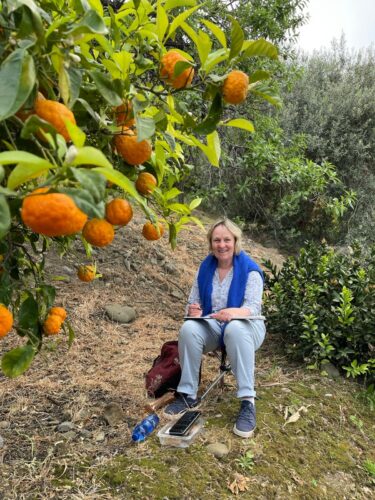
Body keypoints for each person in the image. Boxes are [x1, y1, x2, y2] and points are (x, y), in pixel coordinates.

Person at [164, 218, 266, 438]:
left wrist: (232, 313)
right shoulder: (205, 267)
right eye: (217, 240)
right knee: (189, 329)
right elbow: (194, 299)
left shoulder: (250, 270)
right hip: (214, 324)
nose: (222, 245)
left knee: (235, 329)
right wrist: (193, 310)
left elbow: (253, 308)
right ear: (211, 243)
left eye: (227, 240)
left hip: (248, 327)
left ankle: (248, 402)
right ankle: (187, 394)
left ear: (235, 241)